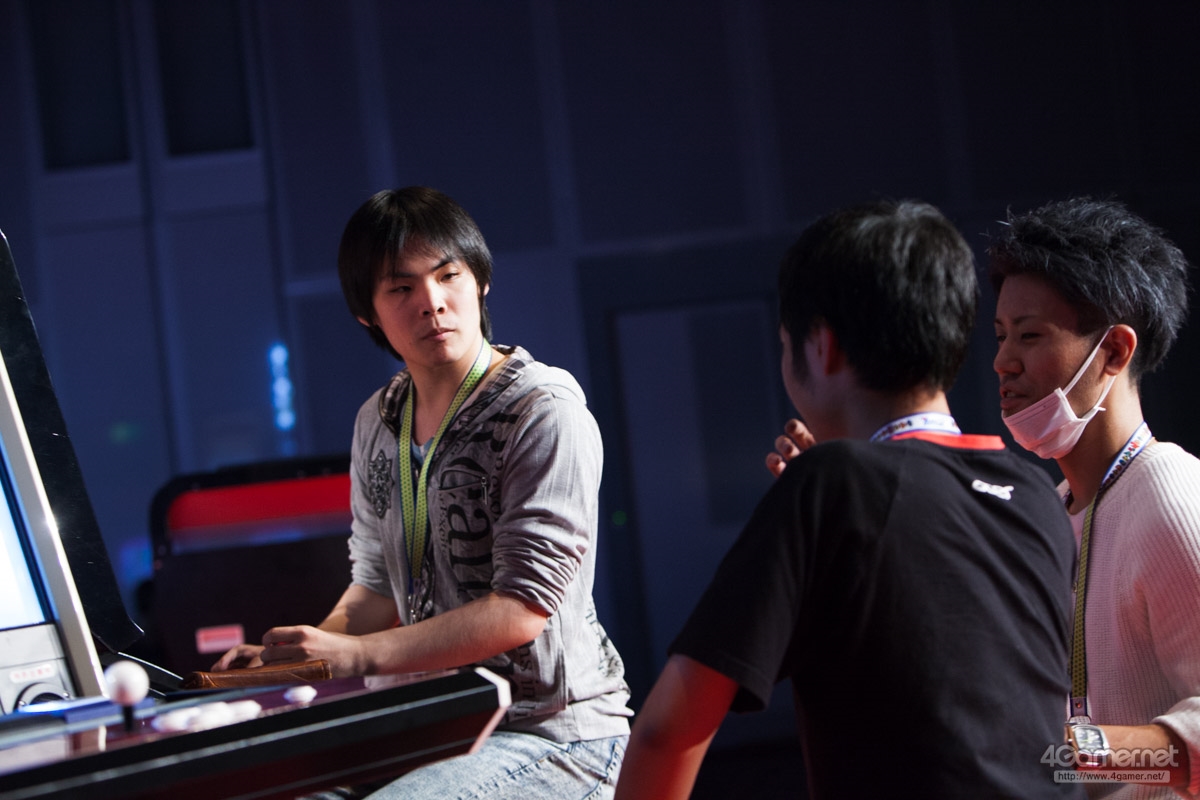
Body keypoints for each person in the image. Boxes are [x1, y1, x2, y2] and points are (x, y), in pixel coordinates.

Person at [614, 200, 1084, 800]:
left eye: (786, 343)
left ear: (821, 346)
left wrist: (822, 491)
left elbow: (666, 732)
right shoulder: (1037, 495)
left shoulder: (829, 483)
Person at [214, 186, 632, 798]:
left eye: (448, 275)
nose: (432, 302)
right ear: (368, 314)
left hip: (551, 732)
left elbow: (520, 610)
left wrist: (354, 656)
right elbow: (376, 586)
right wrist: (305, 657)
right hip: (431, 730)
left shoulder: (542, 409)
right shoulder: (378, 419)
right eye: (401, 288)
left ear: (480, 281)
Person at [990, 197, 1200, 798]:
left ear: (1113, 352)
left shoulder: (1170, 493)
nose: (1003, 362)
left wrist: (1064, 753)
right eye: (1000, 336)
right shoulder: (1056, 510)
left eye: (1030, 335)